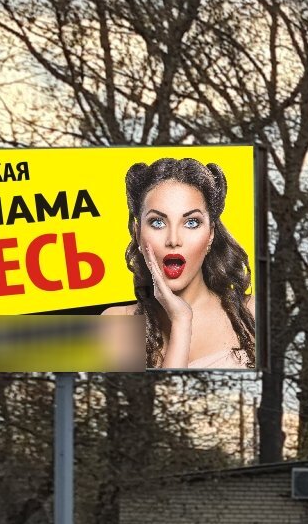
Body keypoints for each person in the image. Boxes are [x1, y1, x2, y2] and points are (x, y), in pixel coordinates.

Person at [105, 156, 257, 370]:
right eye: (157, 222)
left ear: (211, 234)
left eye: (191, 222)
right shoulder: (116, 322)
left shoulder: (254, 313)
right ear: (138, 234)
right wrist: (181, 321)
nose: (174, 240)